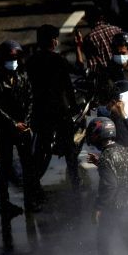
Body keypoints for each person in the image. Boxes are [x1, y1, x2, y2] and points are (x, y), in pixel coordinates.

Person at [26, 25, 82, 196]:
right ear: (52, 40)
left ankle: (34, 188)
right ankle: (76, 186)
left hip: (40, 112)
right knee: (70, 152)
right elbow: (74, 76)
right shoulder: (58, 60)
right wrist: (78, 47)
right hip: (60, 111)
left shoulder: (31, 61)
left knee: (41, 151)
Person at [86, 117, 128, 255]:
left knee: (104, 245)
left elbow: (110, 185)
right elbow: (121, 172)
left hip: (116, 209)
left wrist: (98, 207)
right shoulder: (123, 150)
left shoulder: (107, 156)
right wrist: (100, 162)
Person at [0, 41, 39, 231]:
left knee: (27, 165)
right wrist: (13, 123)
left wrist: (26, 122)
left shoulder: (23, 76)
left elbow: (30, 99)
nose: (13, 62)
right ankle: (5, 204)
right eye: (9, 59)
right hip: (5, 130)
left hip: (23, 129)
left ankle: (30, 201)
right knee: (5, 166)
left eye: (15, 59)